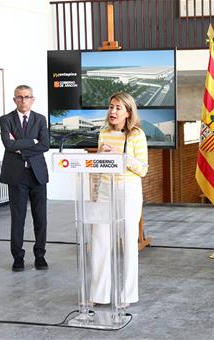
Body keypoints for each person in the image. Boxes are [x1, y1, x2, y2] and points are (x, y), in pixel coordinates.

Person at [91, 92, 149, 305]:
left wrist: (121, 155)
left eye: (118, 108)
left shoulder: (136, 135)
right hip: (106, 189)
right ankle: (99, 294)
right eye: (111, 106)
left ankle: (128, 295)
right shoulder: (103, 132)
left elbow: (143, 169)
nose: (112, 111)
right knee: (99, 241)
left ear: (128, 112)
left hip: (128, 191)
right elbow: (100, 164)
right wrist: (99, 157)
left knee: (128, 243)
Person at [0, 85, 50, 272]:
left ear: (32, 99)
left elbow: (45, 145)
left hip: (37, 175)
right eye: (19, 97)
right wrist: (32, 142)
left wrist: (20, 147)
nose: (23, 100)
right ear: (14, 100)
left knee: (41, 219)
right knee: (18, 218)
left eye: (27, 97)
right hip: (16, 176)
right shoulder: (6, 120)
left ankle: (40, 256)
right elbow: (8, 144)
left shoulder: (40, 119)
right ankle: (18, 258)